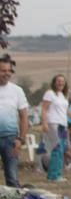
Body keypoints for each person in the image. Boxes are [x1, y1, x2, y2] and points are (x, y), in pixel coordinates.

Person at [0, 56, 30, 188]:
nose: (6, 73)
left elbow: (24, 116)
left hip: (10, 139)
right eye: (3, 70)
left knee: (12, 178)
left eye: (9, 71)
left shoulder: (17, 91)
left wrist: (21, 139)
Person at [40, 74, 70, 183]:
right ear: (54, 82)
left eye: (63, 81)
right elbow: (44, 109)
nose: (61, 83)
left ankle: (58, 174)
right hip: (53, 124)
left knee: (61, 150)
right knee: (56, 149)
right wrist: (44, 123)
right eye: (58, 81)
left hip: (62, 125)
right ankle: (53, 175)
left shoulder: (62, 95)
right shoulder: (49, 93)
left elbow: (66, 111)